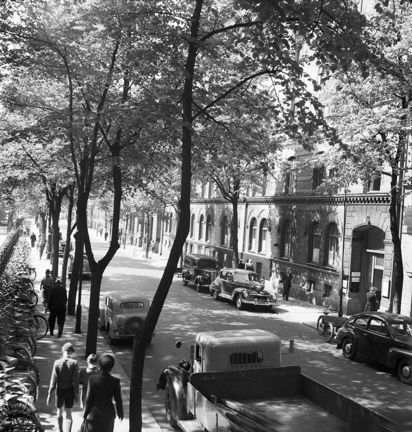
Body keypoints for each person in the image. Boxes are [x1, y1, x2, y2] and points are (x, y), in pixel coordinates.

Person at [83, 353, 124, 432]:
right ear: (111, 367)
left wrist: (85, 414)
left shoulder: (92, 379)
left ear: (100, 366)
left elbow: (88, 399)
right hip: (108, 415)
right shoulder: (115, 381)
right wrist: (120, 413)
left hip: (93, 414)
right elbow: (118, 400)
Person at [47, 342, 79, 432]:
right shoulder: (74, 363)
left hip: (60, 391)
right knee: (68, 414)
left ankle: (61, 430)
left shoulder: (57, 363)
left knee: (59, 412)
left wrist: (49, 393)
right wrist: (77, 394)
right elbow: (76, 380)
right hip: (70, 391)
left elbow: (53, 380)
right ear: (71, 352)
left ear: (63, 351)